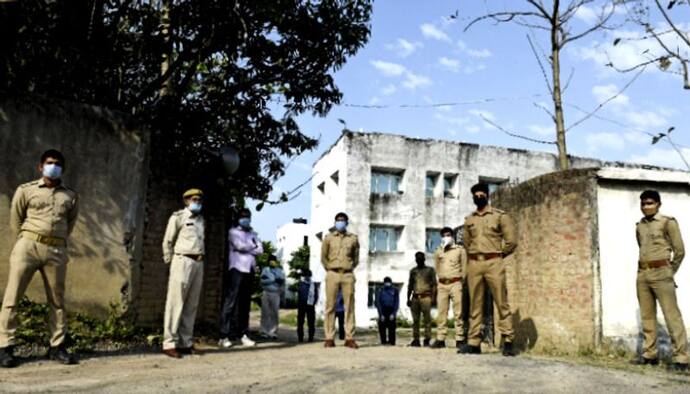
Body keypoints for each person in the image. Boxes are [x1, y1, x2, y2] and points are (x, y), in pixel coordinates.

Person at [0, 150, 78, 368]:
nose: (54, 167)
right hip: (28, 246)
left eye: (58, 164)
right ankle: (5, 347)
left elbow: (70, 224)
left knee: (57, 300)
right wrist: (26, 239)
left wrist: (56, 241)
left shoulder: (70, 195)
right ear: (40, 167)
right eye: (49, 163)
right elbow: (16, 219)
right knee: (12, 296)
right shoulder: (26, 190)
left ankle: (57, 347)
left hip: (56, 251)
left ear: (63, 168)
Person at [633, 190, 688, 371]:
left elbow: (679, 251)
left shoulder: (667, 222)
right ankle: (650, 355)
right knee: (647, 317)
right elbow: (641, 246)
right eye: (643, 204)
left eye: (649, 203)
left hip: (662, 273)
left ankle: (682, 358)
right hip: (643, 274)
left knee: (672, 317)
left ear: (658, 204)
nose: (646, 207)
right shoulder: (639, 225)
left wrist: (669, 272)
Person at [461, 182, 517, 356]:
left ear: (487, 195)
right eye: (475, 194)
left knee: (501, 301)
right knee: (474, 304)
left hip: (494, 262)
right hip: (474, 264)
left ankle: (508, 340)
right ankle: (473, 342)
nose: (478, 196)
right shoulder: (469, 220)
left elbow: (511, 241)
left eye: (481, 193)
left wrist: (498, 255)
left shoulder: (500, 216)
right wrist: (474, 255)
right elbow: (466, 242)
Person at [161, 188, 206, 358]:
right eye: (194, 199)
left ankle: (185, 342)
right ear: (186, 201)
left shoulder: (201, 219)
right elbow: (168, 240)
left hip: (198, 262)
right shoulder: (178, 217)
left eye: (200, 200)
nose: (197, 202)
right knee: (175, 303)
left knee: (191, 305)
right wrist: (170, 260)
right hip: (182, 260)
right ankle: (169, 343)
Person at [219, 208, 263, 348]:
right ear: (238, 218)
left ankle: (243, 334)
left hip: (249, 270)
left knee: (245, 305)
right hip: (236, 269)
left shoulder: (253, 234)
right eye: (243, 217)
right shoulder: (233, 232)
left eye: (248, 217)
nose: (246, 219)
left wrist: (248, 247)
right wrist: (252, 246)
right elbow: (239, 246)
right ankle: (224, 335)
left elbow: (260, 250)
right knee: (230, 303)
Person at [321, 212, 360, 349]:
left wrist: (349, 268)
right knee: (330, 306)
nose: (340, 222)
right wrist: (330, 269)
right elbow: (323, 257)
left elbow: (356, 258)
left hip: (348, 274)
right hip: (332, 273)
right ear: (335, 221)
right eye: (338, 220)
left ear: (347, 222)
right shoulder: (328, 238)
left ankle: (349, 338)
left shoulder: (353, 238)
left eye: (343, 220)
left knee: (349, 306)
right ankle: (329, 337)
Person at [430, 227, 466, 350]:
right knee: (442, 313)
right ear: (441, 237)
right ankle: (440, 338)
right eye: (444, 235)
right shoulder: (438, 251)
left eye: (449, 235)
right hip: (442, 285)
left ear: (453, 236)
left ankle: (460, 338)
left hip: (456, 283)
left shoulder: (460, 250)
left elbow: (465, 267)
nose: (447, 237)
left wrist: (462, 281)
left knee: (458, 312)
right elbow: (437, 267)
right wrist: (439, 281)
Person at [407, 251, 437, 347]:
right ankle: (416, 339)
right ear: (415, 260)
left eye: (421, 258)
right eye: (417, 258)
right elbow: (410, 285)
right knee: (415, 320)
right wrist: (408, 298)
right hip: (415, 297)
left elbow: (434, 285)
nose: (419, 259)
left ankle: (427, 339)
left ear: (424, 259)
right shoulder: (413, 271)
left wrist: (433, 298)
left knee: (427, 320)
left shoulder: (430, 270)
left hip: (426, 297)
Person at [259, 255, 285, 340]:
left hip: (275, 293)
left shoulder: (279, 271)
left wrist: (281, 294)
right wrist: (272, 280)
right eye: (270, 261)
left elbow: (281, 281)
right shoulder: (265, 270)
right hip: (266, 292)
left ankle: (273, 332)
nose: (272, 262)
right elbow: (262, 281)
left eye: (273, 260)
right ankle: (264, 331)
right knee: (265, 313)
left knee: (274, 313)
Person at [297, 269, 319, 343]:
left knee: (311, 322)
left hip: (310, 304)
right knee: (300, 321)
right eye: (305, 275)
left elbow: (316, 295)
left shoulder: (313, 285)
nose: (306, 277)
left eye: (308, 275)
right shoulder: (301, 284)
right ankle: (300, 337)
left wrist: (314, 302)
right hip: (302, 304)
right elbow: (299, 294)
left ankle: (311, 337)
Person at [375, 277, 399, 346]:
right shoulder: (380, 290)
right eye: (386, 282)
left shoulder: (394, 290)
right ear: (384, 283)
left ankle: (392, 342)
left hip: (391, 310)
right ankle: (384, 341)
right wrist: (381, 314)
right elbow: (378, 302)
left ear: (391, 283)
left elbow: (396, 302)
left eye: (388, 282)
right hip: (383, 310)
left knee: (392, 327)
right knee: (382, 327)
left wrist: (394, 314)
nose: (387, 284)